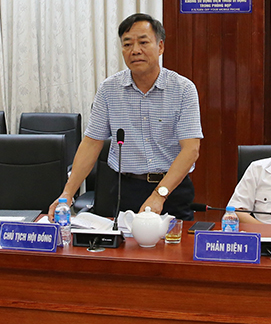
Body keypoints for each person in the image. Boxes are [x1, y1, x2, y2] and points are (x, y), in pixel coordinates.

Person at [49, 13, 203, 221]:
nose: (135, 50)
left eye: (143, 42)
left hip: (171, 188)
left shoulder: (183, 89)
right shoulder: (109, 89)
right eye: (127, 44)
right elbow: (91, 143)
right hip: (124, 189)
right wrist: (67, 194)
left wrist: (159, 195)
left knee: (174, 241)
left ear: (160, 47)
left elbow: (190, 150)